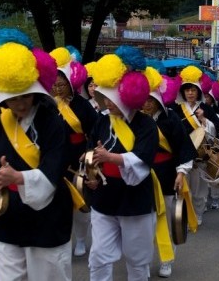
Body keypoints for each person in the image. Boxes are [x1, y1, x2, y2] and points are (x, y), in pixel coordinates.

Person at [0, 29, 74, 280]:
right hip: (9, 216)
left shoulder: (52, 122)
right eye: (13, 98)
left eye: (26, 96)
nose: (21, 104)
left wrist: (20, 178)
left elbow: (57, 165)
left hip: (48, 214)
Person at [86, 53, 159, 280]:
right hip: (104, 197)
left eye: (113, 98)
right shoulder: (102, 119)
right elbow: (91, 151)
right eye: (105, 97)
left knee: (137, 257)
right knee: (98, 254)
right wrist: (92, 173)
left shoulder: (145, 124)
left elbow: (143, 158)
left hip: (135, 198)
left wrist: (112, 158)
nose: (107, 103)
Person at [142, 73, 197, 278]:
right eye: (144, 100)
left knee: (165, 219)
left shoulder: (171, 117)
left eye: (151, 100)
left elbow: (183, 146)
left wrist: (181, 172)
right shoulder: (134, 119)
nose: (146, 104)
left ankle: (167, 259)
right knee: (145, 222)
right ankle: (143, 262)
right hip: (141, 175)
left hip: (166, 175)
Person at [49, 47, 98, 257]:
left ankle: (80, 240)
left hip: (77, 159)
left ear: (70, 84)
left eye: (62, 84)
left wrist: (88, 155)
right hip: (54, 160)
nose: (58, 88)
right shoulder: (47, 105)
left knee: (81, 204)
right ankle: (61, 240)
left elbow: (95, 133)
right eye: (55, 84)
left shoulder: (83, 106)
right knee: (57, 204)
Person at [172, 65, 219, 225]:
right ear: (183, 92)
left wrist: (204, 120)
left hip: (201, 156)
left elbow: (216, 129)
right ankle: (185, 216)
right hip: (182, 155)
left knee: (199, 189)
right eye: (187, 90)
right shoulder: (175, 109)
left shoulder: (205, 108)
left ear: (199, 91)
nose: (190, 93)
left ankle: (198, 214)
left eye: (193, 90)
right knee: (183, 189)